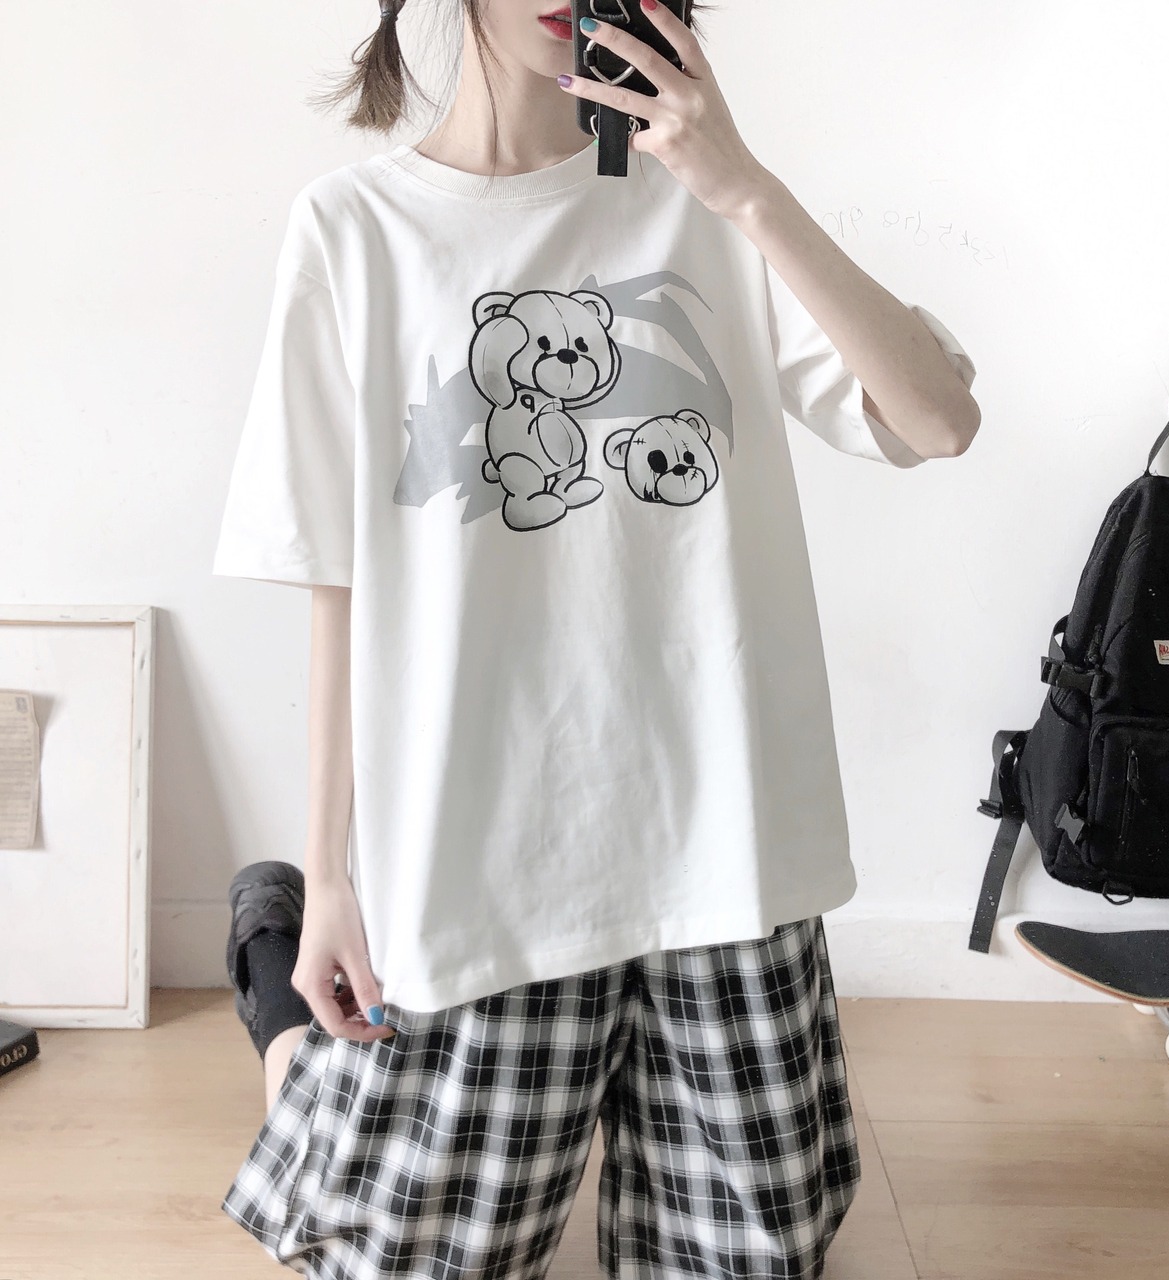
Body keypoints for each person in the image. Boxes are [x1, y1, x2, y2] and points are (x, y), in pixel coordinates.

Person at [213, 0, 980, 1275]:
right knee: (390, 1247)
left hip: (723, 849)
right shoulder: (354, 230)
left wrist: (740, 185)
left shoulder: (708, 204)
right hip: (477, 857)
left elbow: (938, 419)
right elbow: (332, 579)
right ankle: (277, 996)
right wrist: (332, 877)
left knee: (748, 1254)